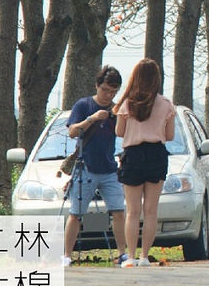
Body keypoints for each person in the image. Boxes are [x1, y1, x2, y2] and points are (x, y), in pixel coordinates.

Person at [63, 66, 127, 267]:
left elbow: (124, 134)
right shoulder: (83, 105)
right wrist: (92, 119)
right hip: (85, 167)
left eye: (113, 92)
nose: (108, 95)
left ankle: (123, 253)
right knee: (76, 213)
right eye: (105, 90)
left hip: (109, 169)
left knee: (118, 211)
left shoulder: (116, 110)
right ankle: (66, 255)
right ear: (97, 86)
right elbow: (72, 131)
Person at [113, 58, 175, 268]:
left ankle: (130, 256)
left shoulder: (126, 103)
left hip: (133, 154)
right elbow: (170, 135)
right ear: (156, 79)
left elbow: (119, 132)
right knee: (151, 211)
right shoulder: (166, 104)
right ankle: (145, 257)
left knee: (132, 211)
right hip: (156, 154)